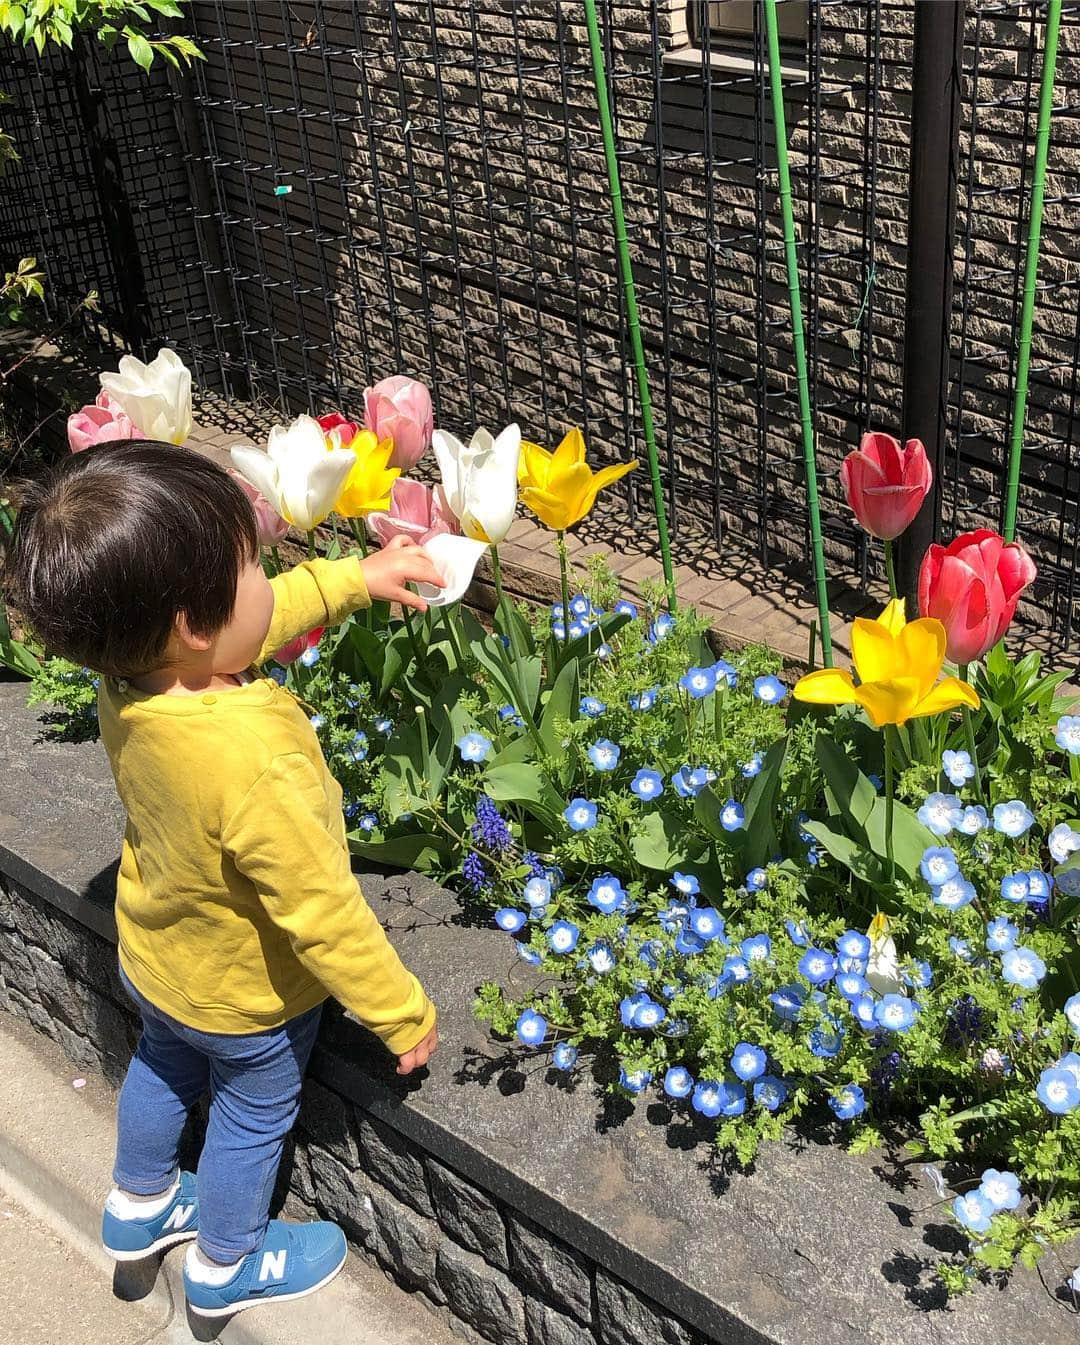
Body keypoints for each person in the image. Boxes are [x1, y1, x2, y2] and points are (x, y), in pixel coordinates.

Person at [4, 440, 444, 1318]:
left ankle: (138, 1205)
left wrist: (358, 576)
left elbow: (251, 623)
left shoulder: (132, 681)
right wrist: (400, 1010)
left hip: (160, 955)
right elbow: (319, 910)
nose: (269, 579)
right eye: (251, 566)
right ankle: (226, 1263)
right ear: (189, 626)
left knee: (163, 1067)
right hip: (248, 1000)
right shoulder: (254, 760)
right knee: (251, 1114)